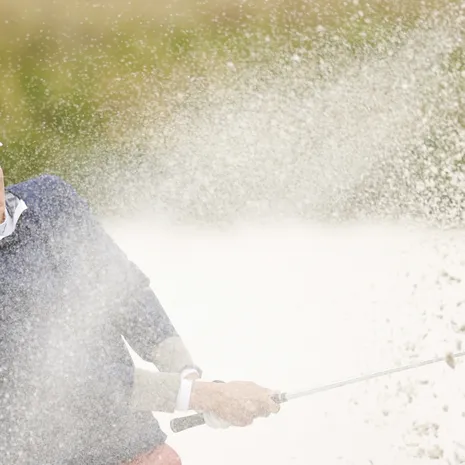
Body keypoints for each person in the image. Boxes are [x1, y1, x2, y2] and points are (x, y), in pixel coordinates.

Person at [0, 166, 280, 465]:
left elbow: (122, 289)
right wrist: (202, 395)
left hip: (136, 446)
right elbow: (62, 377)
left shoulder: (50, 198)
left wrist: (184, 371)